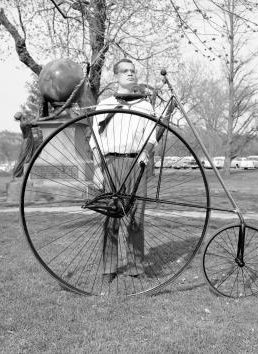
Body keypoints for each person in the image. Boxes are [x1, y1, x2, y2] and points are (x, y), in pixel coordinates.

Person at [89, 58, 156, 283]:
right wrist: (98, 169)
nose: (130, 74)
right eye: (125, 71)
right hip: (111, 164)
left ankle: (136, 267)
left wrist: (145, 153)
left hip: (136, 164)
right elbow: (96, 140)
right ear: (116, 76)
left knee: (136, 218)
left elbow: (151, 137)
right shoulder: (105, 105)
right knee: (111, 217)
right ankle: (109, 267)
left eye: (133, 71)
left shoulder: (145, 106)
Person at [12, 112, 35, 178]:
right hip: (28, 140)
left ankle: (18, 173)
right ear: (22, 117)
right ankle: (17, 173)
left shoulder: (23, 123)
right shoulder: (24, 123)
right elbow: (35, 121)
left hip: (27, 140)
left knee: (23, 157)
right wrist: (38, 111)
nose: (24, 116)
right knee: (24, 157)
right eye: (23, 115)